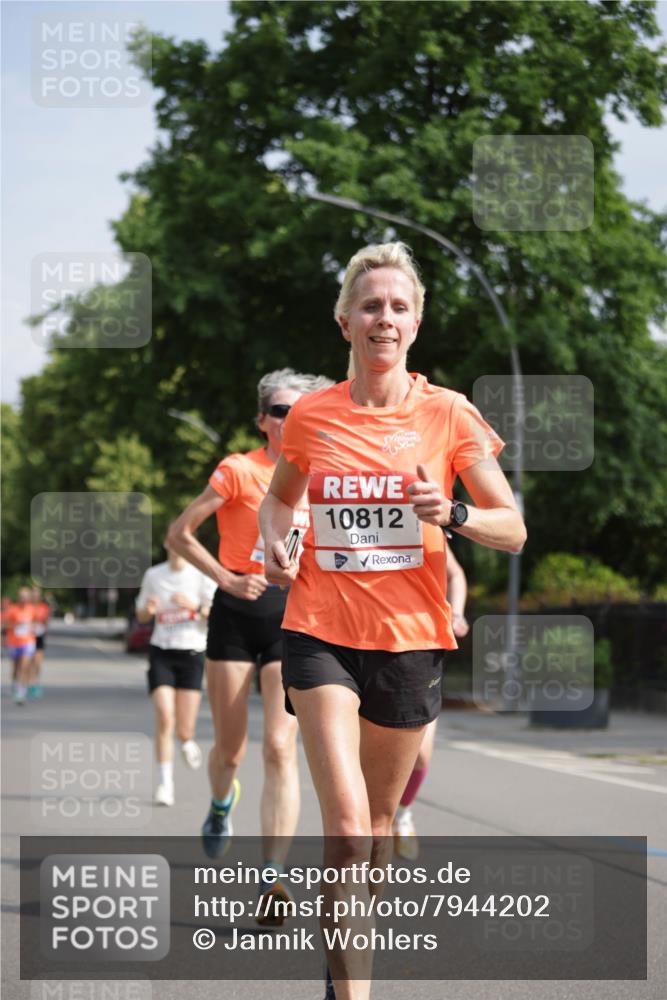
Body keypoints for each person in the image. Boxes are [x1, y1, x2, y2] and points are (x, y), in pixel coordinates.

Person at [259, 241, 526, 1000]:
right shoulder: (310, 416)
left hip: (409, 642)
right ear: (345, 320)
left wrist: (457, 512)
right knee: (344, 828)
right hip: (318, 634)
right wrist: (276, 539)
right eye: (370, 305)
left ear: (414, 325)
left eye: (398, 307)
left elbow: (512, 527)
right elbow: (281, 497)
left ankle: (343, 956)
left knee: (373, 832)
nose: (384, 318)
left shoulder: (447, 414)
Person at [167, 368, 332, 916]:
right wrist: (227, 579)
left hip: (296, 618)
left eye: (300, 410)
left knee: (282, 747)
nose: (291, 419)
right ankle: (219, 803)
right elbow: (178, 533)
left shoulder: (328, 474)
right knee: (231, 751)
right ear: (263, 420)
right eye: (281, 411)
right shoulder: (238, 470)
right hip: (237, 615)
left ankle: (273, 878)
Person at [392, 541, 469, 860]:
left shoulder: (425, 524)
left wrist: (457, 613)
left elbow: (456, 574)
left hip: (421, 646)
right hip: (364, 644)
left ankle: (402, 814)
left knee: (421, 756)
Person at [135, 542, 216, 806]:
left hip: (192, 653)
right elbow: (141, 614)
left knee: (183, 728)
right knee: (164, 715)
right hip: (162, 651)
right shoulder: (154, 575)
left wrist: (194, 606)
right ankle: (165, 784)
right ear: (168, 544)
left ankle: (187, 740)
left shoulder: (201, 575)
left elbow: (215, 614)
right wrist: (148, 609)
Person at [3, 587, 37, 705]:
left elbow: (36, 622)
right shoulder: (12, 609)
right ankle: (15, 684)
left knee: (24, 666)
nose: (23, 599)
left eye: (25, 596)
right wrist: (15, 624)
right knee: (15, 668)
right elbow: (5, 624)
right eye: (21, 596)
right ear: (18, 597)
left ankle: (21, 693)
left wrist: (33, 627)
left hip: (28, 642)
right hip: (14, 642)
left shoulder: (32, 609)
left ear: (28, 598)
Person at [29, 585, 51, 699]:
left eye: (37, 593)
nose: (35, 595)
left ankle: (35, 683)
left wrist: (43, 628)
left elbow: (46, 621)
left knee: (37, 663)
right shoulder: (27, 607)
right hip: (27, 637)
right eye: (33, 593)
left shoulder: (44, 607)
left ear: (39, 595)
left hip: (39, 637)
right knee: (28, 662)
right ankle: (27, 683)